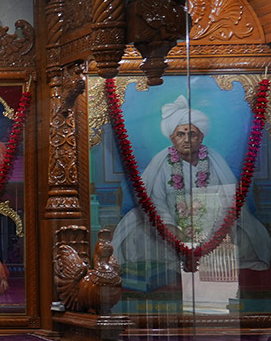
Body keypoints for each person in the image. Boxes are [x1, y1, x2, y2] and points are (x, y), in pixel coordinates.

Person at [111, 95, 271, 273]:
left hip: (213, 225)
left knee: (246, 239)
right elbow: (155, 202)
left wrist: (214, 231)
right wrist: (171, 229)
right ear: (172, 138)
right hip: (170, 226)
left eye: (192, 134)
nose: (186, 139)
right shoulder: (161, 162)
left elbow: (228, 201)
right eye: (180, 134)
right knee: (138, 238)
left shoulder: (215, 161)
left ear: (201, 137)